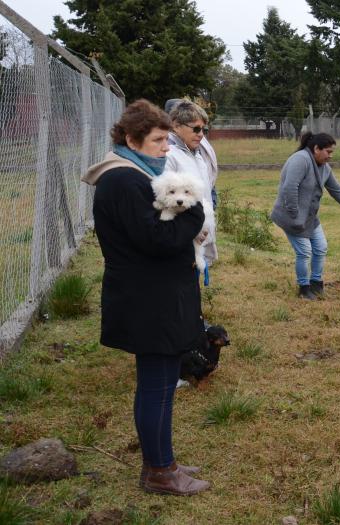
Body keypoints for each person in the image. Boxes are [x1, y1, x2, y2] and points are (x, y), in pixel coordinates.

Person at [81, 99, 211, 496]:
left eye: (166, 139)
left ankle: (162, 460)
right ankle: (159, 470)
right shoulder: (124, 180)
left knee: (163, 382)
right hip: (148, 301)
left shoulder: (134, 176)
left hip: (153, 296)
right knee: (156, 387)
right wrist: (195, 214)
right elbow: (159, 239)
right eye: (157, 140)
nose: (166, 147)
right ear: (132, 140)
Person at [270, 132, 340, 300]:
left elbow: (337, 190)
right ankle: (304, 289)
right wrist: (294, 214)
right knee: (304, 252)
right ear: (316, 149)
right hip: (291, 218)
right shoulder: (300, 160)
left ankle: (316, 284)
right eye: (328, 152)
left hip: (309, 219)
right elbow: (289, 187)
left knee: (321, 247)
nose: (330, 156)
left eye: (331, 152)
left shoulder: (324, 168)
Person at [165, 101, 217, 272]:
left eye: (204, 130)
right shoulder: (170, 155)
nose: (201, 134)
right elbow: (168, 201)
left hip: (199, 237)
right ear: (176, 126)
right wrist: (191, 231)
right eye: (196, 129)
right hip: (183, 239)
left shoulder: (197, 155)